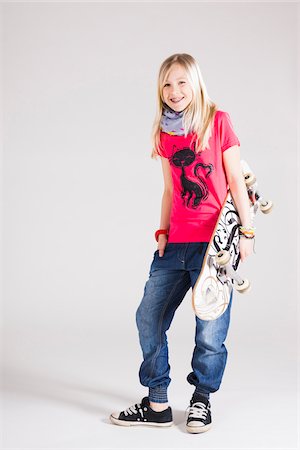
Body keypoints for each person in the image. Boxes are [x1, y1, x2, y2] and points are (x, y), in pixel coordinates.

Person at [109, 53, 254, 433]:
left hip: (213, 247)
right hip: (174, 246)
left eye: (181, 82)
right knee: (149, 318)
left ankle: (201, 399)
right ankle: (157, 403)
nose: (174, 91)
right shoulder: (165, 134)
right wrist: (161, 232)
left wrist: (248, 233)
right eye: (167, 84)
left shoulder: (218, 122)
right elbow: (170, 190)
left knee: (210, 330)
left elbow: (237, 182)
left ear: (196, 83)